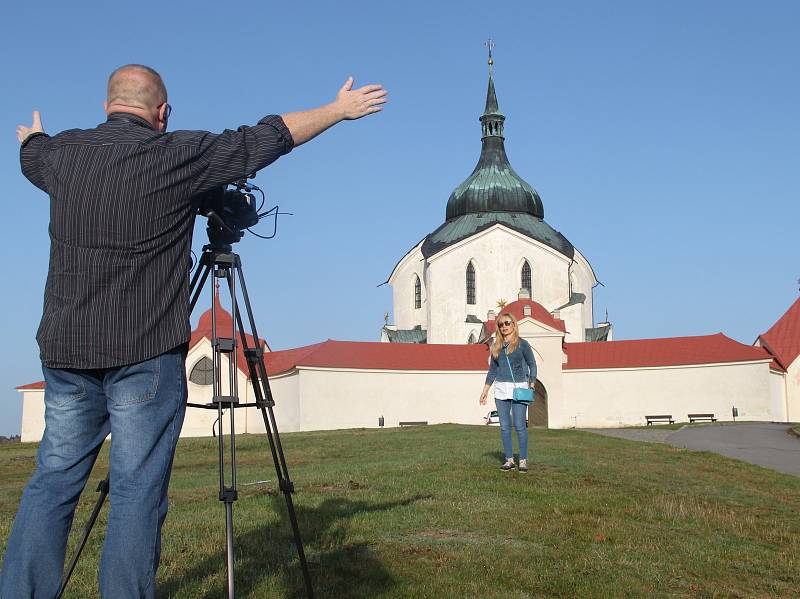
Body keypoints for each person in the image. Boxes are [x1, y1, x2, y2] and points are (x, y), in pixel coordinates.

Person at [1, 64, 387, 599]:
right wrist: (336, 111)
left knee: (52, 484)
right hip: (143, 352)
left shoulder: (61, 154)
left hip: (67, 352)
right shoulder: (177, 153)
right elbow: (265, 139)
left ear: (109, 104)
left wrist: (33, 138)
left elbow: (31, 156)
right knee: (136, 494)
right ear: (163, 113)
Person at [479, 312, 537, 473]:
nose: (504, 326)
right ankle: (509, 460)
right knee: (504, 427)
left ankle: (523, 460)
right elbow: (492, 370)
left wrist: (531, 383)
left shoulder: (522, 344)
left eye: (507, 323)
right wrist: (485, 391)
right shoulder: (496, 346)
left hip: (519, 387)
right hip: (501, 389)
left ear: (514, 324)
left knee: (519, 425)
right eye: (500, 324)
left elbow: (533, 364)